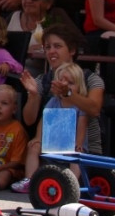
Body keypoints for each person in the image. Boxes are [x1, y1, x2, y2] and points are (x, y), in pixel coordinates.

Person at [10, 23, 106, 194]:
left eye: (57, 46)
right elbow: (29, 119)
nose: (51, 51)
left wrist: (69, 93)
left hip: (83, 151)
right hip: (52, 149)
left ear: (72, 50)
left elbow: (94, 109)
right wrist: (33, 95)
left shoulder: (91, 79)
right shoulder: (43, 80)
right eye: (47, 47)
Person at [5, 0, 71, 72]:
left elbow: (77, 45)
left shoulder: (54, 18)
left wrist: (46, 48)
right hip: (8, 74)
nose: (28, 0)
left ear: (48, 3)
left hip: (40, 78)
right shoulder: (13, 17)